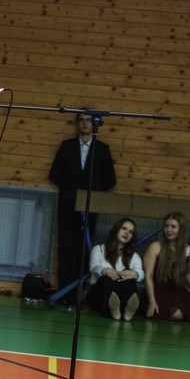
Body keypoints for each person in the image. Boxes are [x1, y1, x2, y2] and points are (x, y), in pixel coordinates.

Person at [49, 112, 116, 300]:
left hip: (89, 207)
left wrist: (91, 193)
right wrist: (71, 190)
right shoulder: (67, 146)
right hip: (67, 207)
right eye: (82, 120)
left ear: (94, 125)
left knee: (83, 251)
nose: (85, 124)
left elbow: (110, 179)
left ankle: (77, 294)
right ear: (77, 123)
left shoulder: (102, 149)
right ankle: (63, 293)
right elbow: (54, 174)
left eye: (89, 121)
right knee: (65, 249)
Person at [142, 212, 190, 324]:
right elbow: (148, 276)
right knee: (176, 314)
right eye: (166, 226)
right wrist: (152, 301)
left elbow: (189, 273)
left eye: (173, 226)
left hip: (177, 291)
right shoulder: (155, 247)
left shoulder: (189, 251)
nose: (169, 230)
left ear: (181, 229)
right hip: (157, 291)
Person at [85, 217, 144, 321]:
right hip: (99, 297)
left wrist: (133, 274)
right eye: (124, 229)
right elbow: (94, 267)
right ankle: (112, 309)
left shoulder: (134, 256)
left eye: (130, 232)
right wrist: (106, 271)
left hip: (121, 296)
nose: (127, 233)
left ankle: (128, 311)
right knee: (107, 278)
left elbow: (141, 273)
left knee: (129, 280)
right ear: (116, 229)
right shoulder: (99, 249)